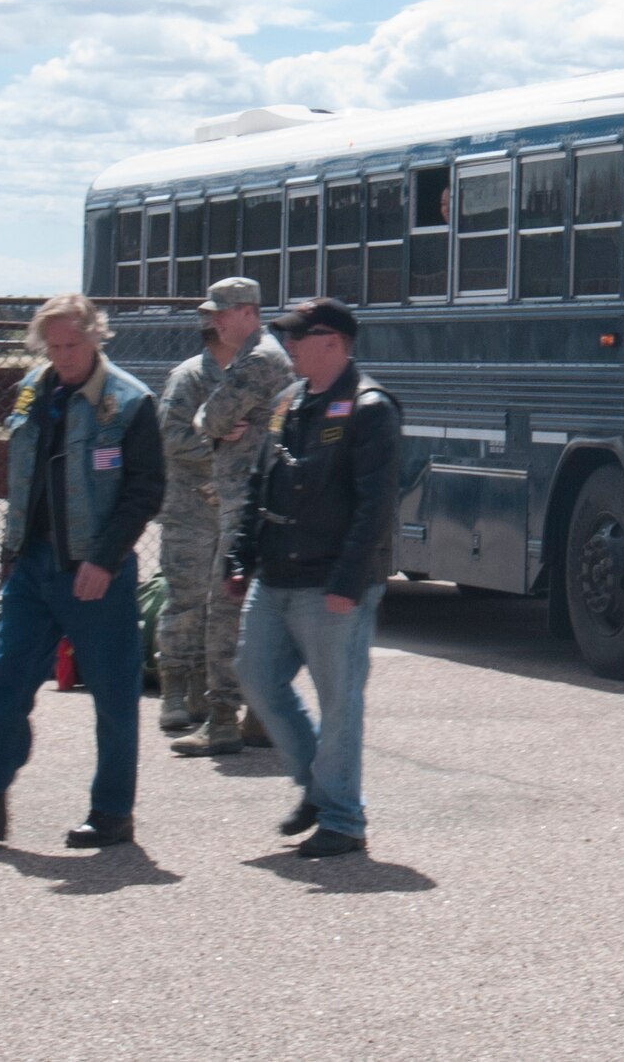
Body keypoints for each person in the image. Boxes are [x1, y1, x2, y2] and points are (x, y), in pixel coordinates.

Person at [0, 294, 163, 851]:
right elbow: (22, 476)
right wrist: (12, 553)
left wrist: (104, 559)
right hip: (32, 566)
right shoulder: (35, 390)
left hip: (95, 572)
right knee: (5, 683)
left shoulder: (130, 403)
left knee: (113, 696)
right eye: (53, 346)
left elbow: (144, 492)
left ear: (96, 338)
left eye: (73, 345)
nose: (63, 356)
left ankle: (112, 813)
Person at [230, 296, 400, 857]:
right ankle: (317, 787)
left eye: (299, 336)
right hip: (276, 574)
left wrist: (349, 581)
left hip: (332, 583)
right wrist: (240, 553)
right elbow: (261, 483)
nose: (289, 345)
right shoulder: (288, 402)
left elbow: (375, 506)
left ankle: (343, 820)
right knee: (256, 680)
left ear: (334, 342)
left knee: (339, 703)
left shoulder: (370, 407)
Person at [172, 276, 291, 759]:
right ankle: (260, 716)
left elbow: (212, 419)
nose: (214, 321)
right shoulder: (261, 356)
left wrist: (213, 424)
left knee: (225, 609)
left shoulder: (259, 359)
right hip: (258, 503)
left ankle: (222, 720)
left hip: (246, 507)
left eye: (222, 312)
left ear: (249, 312)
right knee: (258, 613)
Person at [152, 301, 232, 733]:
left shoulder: (246, 374)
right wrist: (225, 450)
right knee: (185, 601)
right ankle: (173, 692)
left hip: (229, 508)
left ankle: (207, 689)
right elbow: (172, 437)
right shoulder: (189, 377)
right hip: (189, 509)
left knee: (222, 605)